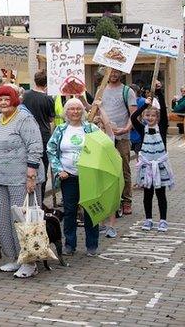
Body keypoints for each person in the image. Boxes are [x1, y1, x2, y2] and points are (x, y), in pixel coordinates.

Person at [0, 85, 44, 279]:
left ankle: (29, 261)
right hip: (1, 177)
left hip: (21, 178)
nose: (2, 102)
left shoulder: (24, 119)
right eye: (0, 99)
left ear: (14, 100)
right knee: (3, 219)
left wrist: (31, 174)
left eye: (6, 99)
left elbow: (35, 145)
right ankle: (13, 257)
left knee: (22, 220)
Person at [47, 98, 102, 256]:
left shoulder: (91, 128)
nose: (75, 112)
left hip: (88, 176)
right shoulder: (61, 129)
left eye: (78, 109)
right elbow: (51, 149)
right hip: (68, 176)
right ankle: (70, 244)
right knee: (70, 211)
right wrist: (59, 170)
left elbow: (101, 147)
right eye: (71, 109)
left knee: (90, 211)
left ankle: (92, 245)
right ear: (66, 112)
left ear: (83, 111)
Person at [98, 69, 137, 216]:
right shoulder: (100, 90)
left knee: (124, 168)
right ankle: (111, 200)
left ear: (121, 73)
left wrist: (125, 129)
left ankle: (126, 201)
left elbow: (134, 115)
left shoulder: (127, 91)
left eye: (116, 72)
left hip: (122, 137)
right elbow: (94, 109)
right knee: (106, 169)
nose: (113, 74)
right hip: (105, 137)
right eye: (110, 71)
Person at [132, 98, 174, 232]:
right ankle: (148, 219)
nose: (150, 118)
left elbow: (163, 107)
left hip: (160, 167)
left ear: (158, 117)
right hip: (147, 167)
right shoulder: (142, 129)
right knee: (147, 194)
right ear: (143, 116)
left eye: (153, 115)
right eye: (147, 115)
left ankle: (163, 220)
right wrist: (144, 105)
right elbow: (133, 117)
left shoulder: (161, 128)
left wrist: (159, 93)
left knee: (161, 194)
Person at [22, 70, 56, 203]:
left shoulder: (25, 95)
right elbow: (51, 118)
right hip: (43, 136)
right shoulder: (48, 99)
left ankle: (29, 199)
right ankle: (39, 201)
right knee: (42, 169)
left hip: (26, 135)